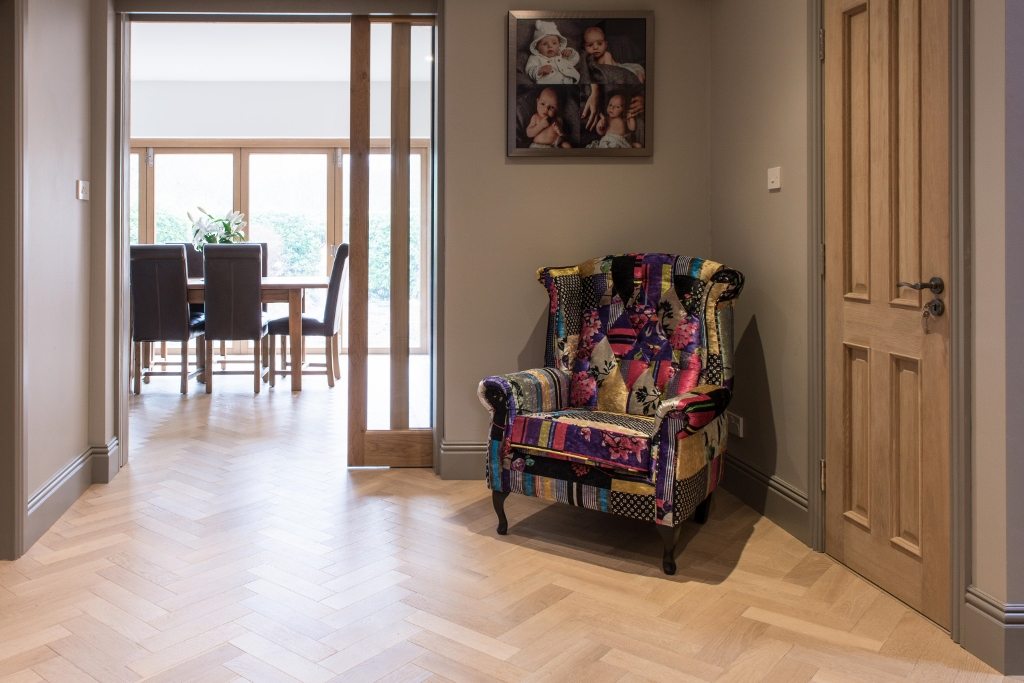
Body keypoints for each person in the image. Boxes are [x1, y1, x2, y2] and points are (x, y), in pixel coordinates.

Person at [524, 20, 581, 84]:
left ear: (559, 44)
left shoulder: (562, 53)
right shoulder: (535, 57)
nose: (550, 46)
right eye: (545, 44)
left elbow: (574, 61)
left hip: (570, 80)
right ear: (537, 47)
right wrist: (539, 70)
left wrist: (571, 54)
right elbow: (529, 70)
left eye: (554, 43)